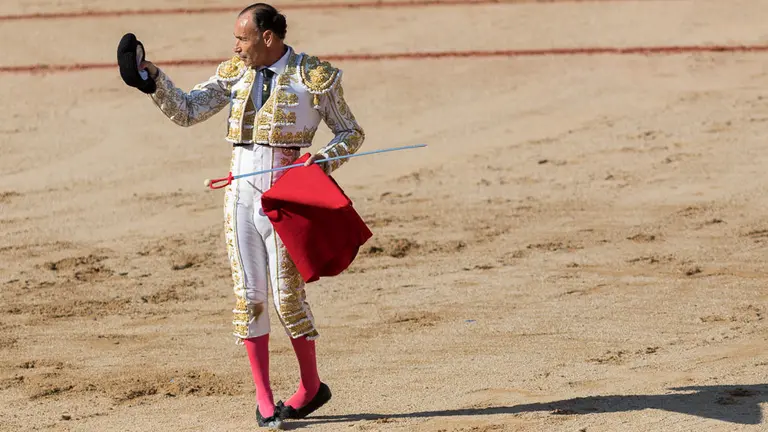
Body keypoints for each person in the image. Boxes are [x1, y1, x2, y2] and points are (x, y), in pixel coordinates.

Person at [136, 3, 365, 429]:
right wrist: (151, 80)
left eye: (242, 38)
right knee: (250, 295)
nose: (235, 46)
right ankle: (263, 400)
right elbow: (187, 110)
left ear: (267, 38)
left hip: (287, 196)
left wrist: (323, 162)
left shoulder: (312, 76)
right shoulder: (235, 72)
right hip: (240, 193)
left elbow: (351, 132)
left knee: (285, 296)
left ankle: (311, 388)